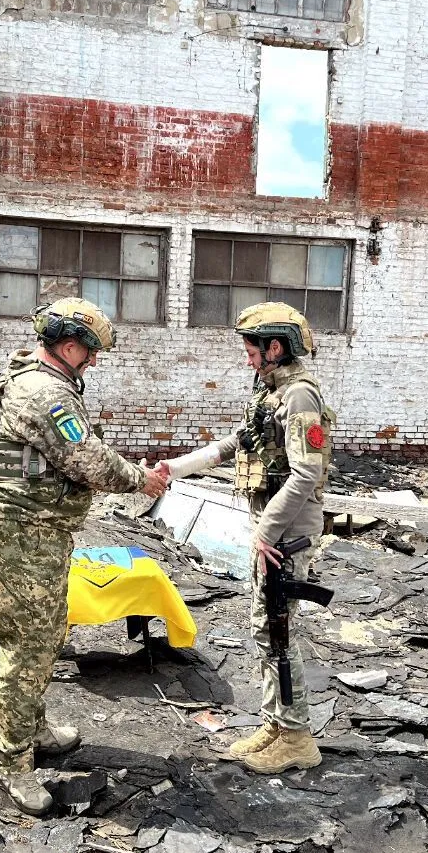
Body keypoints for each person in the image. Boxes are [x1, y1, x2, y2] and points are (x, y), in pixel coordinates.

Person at [0, 297, 168, 814]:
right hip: (22, 535)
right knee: (28, 647)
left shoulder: (35, 380)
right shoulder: (43, 392)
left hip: (38, 532)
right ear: (68, 345)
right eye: (91, 352)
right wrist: (139, 480)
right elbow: (86, 459)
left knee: (49, 632)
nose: (94, 362)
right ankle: (9, 761)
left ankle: (32, 727)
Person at [157, 302, 335, 774]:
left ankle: (296, 736)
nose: (248, 358)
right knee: (264, 628)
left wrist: (264, 531)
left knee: (278, 629)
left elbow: (304, 474)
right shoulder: (269, 393)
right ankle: (275, 723)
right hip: (271, 531)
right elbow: (234, 445)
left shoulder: (300, 397)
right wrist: (176, 468)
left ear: (275, 347)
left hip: (286, 535)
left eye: (252, 349)